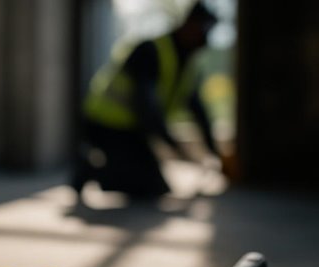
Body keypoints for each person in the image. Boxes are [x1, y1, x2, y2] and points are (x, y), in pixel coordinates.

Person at [72, 2, 223, 200]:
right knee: (142, 182)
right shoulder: (150, 50)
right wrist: (173, 145)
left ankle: (114, 171)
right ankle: (91, 172)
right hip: (104, 124)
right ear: (189, 24)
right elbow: (147, 106)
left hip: (132, 129)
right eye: (204, 29)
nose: (206, 37)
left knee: (157, 188)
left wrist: (215, 153)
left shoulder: (187, 65)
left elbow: (197, 109)